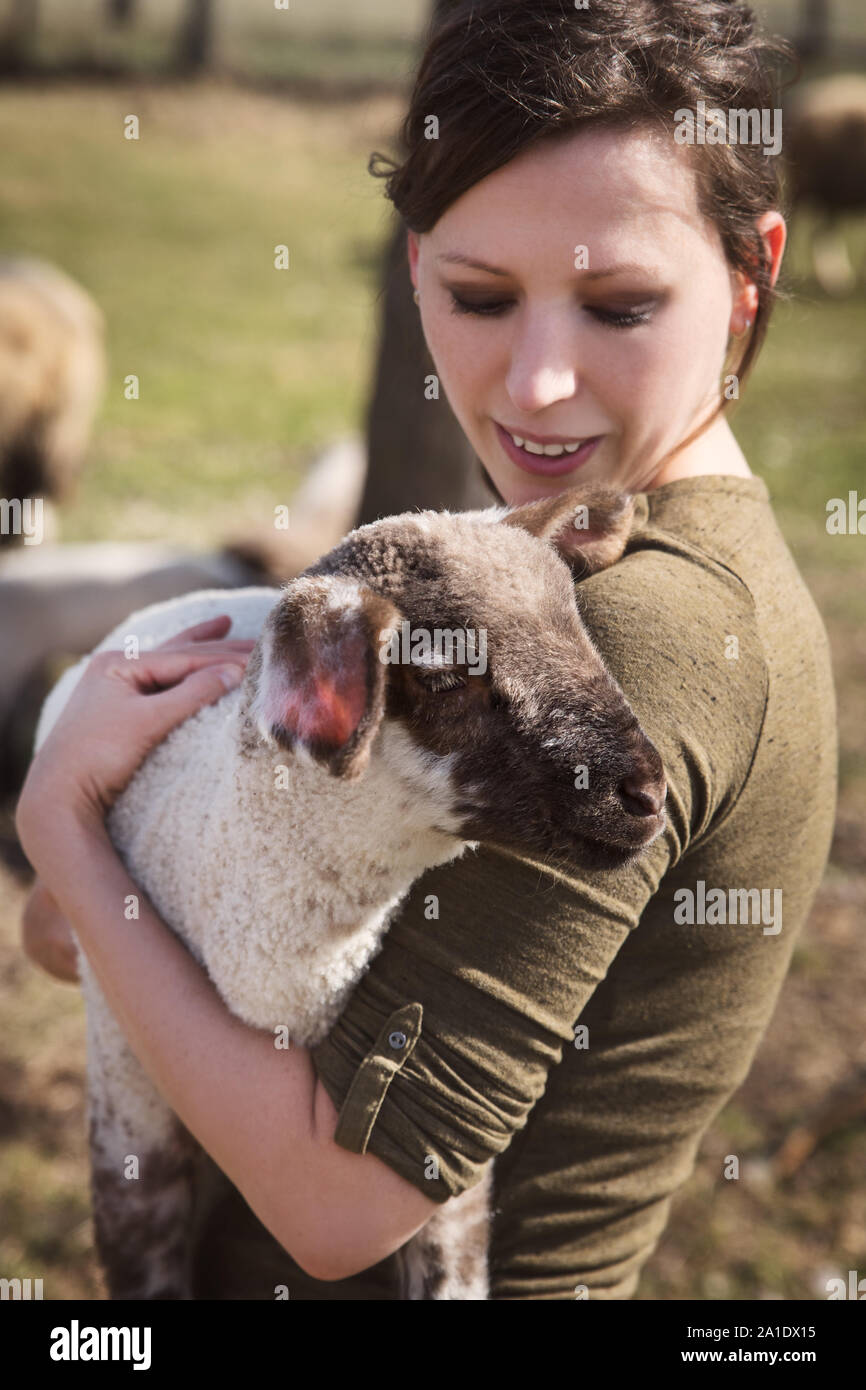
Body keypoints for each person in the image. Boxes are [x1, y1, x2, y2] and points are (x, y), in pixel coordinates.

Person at [18, 0, 837, 1300]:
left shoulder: (633, 633)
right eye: (478, 295)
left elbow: (334, 1203)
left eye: (619, 305)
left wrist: (62, 814)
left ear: (752, 274)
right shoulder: (570, 565)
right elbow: (123, 940)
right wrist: (116, 895)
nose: (533, 384)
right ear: (412, 269)